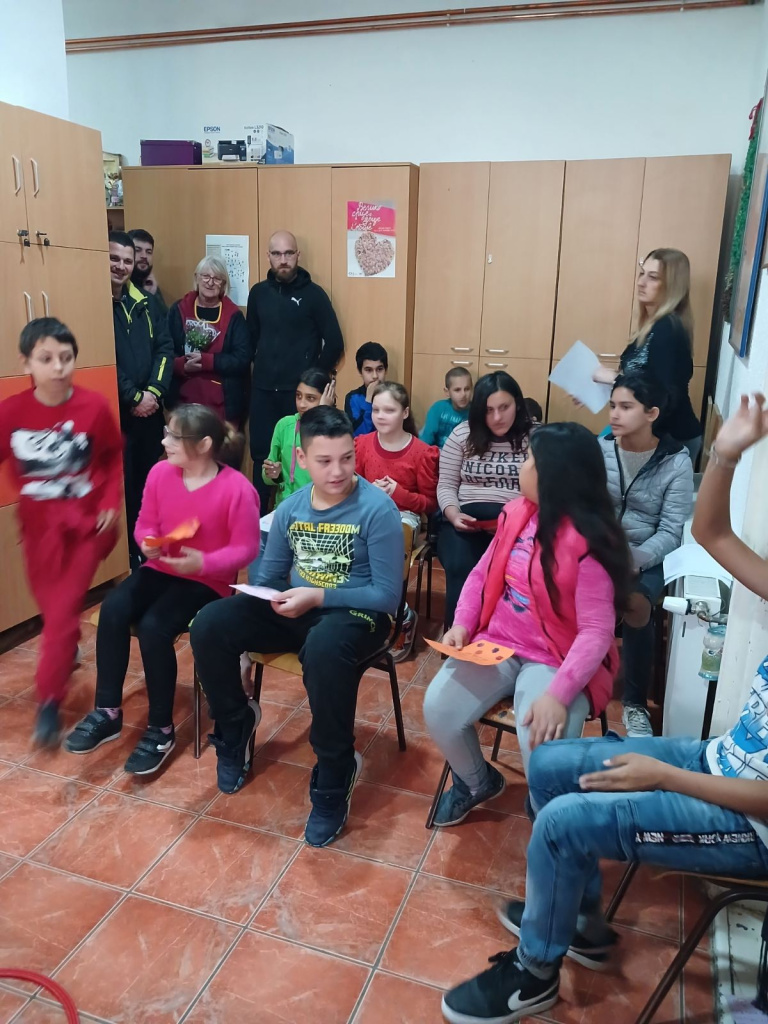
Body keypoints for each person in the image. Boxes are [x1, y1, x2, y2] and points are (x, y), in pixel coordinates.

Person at [439, 395, 768, 1024]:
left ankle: (535, 972)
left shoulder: (583, 541)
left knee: (563, 822)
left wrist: (663, 775)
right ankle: (579, 919)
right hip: (720, 760)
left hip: (749, 823)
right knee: (550, 765)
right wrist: (726, 454)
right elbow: (713, 534)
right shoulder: (519, 516)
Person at [191, 406, 403, 848]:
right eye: (325, 461)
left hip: (357, 615)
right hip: (301, 607)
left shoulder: (377, 510)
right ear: (302, 459)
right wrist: (259, 609)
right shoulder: (290, 508)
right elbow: (269, 579)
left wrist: (319, 596)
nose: (338, 471)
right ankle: (235, 724)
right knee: (211, 623)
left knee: (324, 648)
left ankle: (335, 771)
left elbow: (387, 597)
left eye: (346, 458)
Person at [424, 423, 630, 827]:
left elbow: (595, 632)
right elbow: (482, 575)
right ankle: (476, 783)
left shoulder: (591, 541)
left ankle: (546, 808)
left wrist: (558, 694)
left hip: (556, 659)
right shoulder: (517, 512)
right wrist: (462, 624)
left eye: (531, 459)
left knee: (540, 735)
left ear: (557, 476)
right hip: (499, 643)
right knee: (438, 708)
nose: (522, 466)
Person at [64, 405, 260, 775]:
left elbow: (246, 549)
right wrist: (146, 543)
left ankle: (161, 729)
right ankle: (107, 712)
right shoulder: (160, 473)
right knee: (114, 607)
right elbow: (144, 523)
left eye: (173, 436)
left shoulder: (237, 489)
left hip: (207, 581)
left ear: (203, 445)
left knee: (154, 627)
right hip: (161, 569)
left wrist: (202, 562)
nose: (164, 441)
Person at [0, 318, 122, 746]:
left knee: (61, 613)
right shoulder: (11, 412)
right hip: (39, 533)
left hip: (87, 529)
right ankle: (65, 646)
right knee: (54, 610)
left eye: (66, 358)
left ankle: (48, 704)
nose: (58, 368)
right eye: (46, 358)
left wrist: (109, 503)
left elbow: (112, 458)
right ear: (27, 362)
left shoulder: (93, 407)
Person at [600, 373, 693, 738]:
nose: (615, 414)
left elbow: (671, 530)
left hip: (647, 554)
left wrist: (636, 559)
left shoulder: (675, 461)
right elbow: (586, 506)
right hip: (601, 548)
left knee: (637, 604)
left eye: (626, 407)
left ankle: (635, 704)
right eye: (612, 405)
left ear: (651, 413)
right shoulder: (601, 449)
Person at [246, 230, 344, 507]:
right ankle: (259, 521)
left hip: (298, 395)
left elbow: (334, 342)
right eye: (277, 254)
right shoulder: (258, 294)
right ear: (268, 256)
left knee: (304, 454)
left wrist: (312, 380)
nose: (283, 260)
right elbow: (250, 340)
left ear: (298, 255)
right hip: (263, 392)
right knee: (263, 458)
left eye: (289, 253)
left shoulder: (314, 295)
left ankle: (307, 511)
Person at [437, 372, 531, 629]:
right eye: (489, 410)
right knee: (460, 564)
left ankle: (502, 638)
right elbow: (446, 485)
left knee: (519, 568)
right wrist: (453, 514)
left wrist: (515, 524)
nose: (497, 417)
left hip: (519, 527)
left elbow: (546, 491)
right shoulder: (462, 434)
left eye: (504, 407)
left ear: (517, 404)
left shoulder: (535, 437)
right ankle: (458, 637)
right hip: (466, 523)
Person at [355, 380, 439, 659]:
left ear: (404, 413)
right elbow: (352, 488)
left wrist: (398, 493)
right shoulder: (362, 444)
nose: (381, 416)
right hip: (366, 513)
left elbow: (430, 503)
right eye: (376, 410)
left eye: (389, 410)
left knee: (387, 534)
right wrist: (369, 491)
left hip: (403, 518)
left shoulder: (421, 452)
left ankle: (397, 615)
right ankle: (383, 613)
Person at [592, 248, 702, 462]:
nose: (641, 282)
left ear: (671, 286)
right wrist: (596, 389)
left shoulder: (667, 329)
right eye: (642, 274)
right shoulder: (651, 326)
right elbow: (641, 378)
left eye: (653, 277)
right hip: (651, 433)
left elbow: (662, 392)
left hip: (671, 436)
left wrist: (612, 378)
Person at [110, 230, 172, 568]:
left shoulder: (144, 302)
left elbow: (164, 348)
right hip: (118, 414)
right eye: (114, 259)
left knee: (150, 484)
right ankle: (127, 557)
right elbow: (105, 360)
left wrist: (153, 393)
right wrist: (134, 396)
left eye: (126, 261)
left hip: (149, 413)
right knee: (125, 486)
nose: (120, 266)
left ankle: (148, 548)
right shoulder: (95, 304)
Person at [166, 256, 251, 429]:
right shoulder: (178, 309)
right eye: (205, 276)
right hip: (183, 402)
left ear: (223, 284)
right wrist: (182, 365)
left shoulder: (234, 316)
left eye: (217, 278)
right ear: (197, 278)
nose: (210, 282)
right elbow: (163, 352)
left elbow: (242, 359)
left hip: (223, 404)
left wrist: (208, 361)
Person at [261, 368, 336, 509]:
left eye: (310, 398)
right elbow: (267, 476)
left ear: (327, 397)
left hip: (320, 508)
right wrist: (273, 474)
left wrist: (322, 415)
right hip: (286, 506)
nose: (301, 404)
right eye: (298, 396)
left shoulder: (335, 429)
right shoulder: (284, 425)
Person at [420, 366, 473, 449]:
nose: (463, 394)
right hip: (437, 453)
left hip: (463, 454)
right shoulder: (438, 408)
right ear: (447, 392)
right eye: (457, 390)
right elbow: (425, 441)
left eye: (467, 389)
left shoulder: (476, 412)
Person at [344, 342, 389, 437]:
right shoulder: (353, 398)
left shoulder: (394, 397)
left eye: (379, 369)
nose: (375, 376)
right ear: (360, 371)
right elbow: (357, 436)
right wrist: (368, 401)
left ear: (386, 370)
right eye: (368, 370)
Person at [128, 228, 168, 315]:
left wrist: (153, 295)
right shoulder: (121, 286)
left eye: (148, 252)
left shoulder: (151, 285)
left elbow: (164, 320)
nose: (144, 256)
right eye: (138, 250)